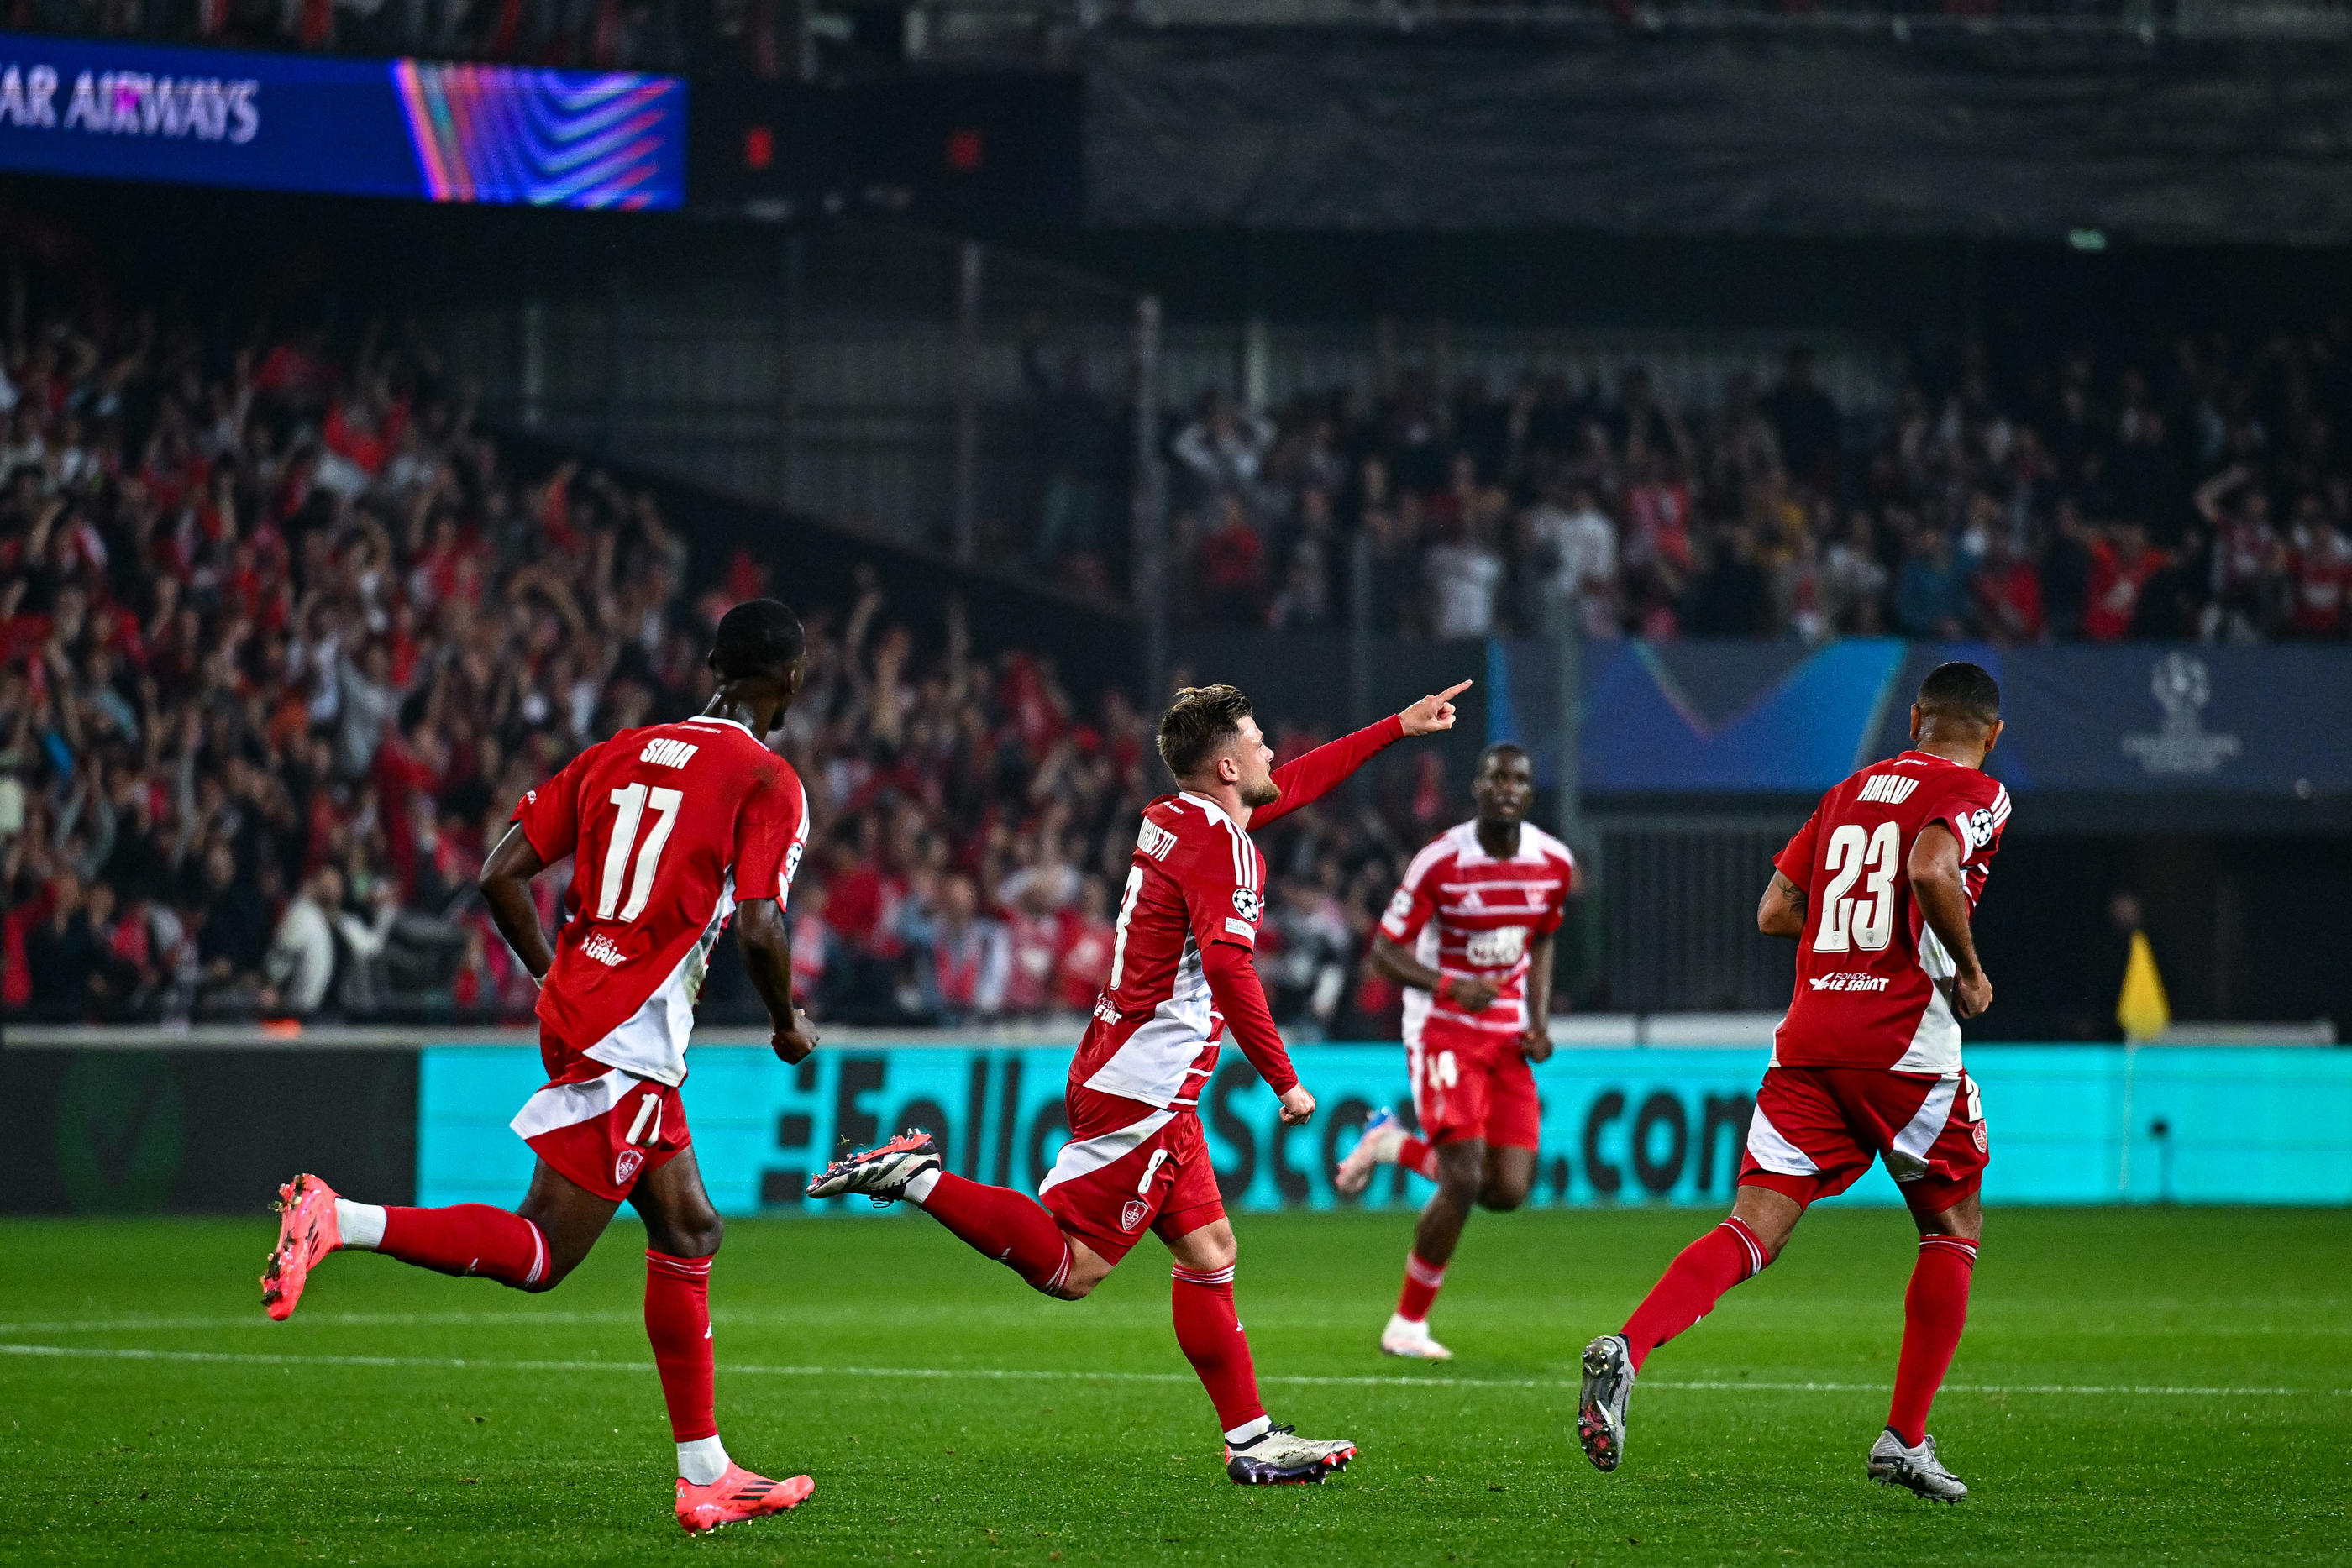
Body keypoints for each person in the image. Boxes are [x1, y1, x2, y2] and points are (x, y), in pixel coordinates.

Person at [806, 679, 1472, 1485]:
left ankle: (1251, 1438)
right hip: (1147, 1083)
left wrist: (1395, 727)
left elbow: (1289, 783)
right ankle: (918, 1178)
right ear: (1227, 765)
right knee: (1073, 1267)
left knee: (1211, 1248)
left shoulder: (1174, 816)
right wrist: (1285, 1080)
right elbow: (1229, 967)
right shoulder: (1226, 848)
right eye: (1259, 740)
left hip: (1133, 1064)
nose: (1272, 753)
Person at [259, 600, 824, 1537]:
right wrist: (786, 1024)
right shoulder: (767, 779)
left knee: (688, 1227)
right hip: (633, 1034)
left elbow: (498, 873)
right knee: (543, 1253)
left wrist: (556, 971)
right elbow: (763, 923)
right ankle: (338, 1217)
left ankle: (706, 1473)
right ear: (790, 681)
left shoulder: (621, 749)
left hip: (584, 1008)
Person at [1575, 661, 2011, 1504]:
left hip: (1810, 1038)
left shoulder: (1846, 789)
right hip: (1904, 1046)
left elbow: (1774, 909)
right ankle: (1903, 1438)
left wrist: (1849, 937)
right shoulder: (1976, 790)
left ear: (1913, 716)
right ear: (1991, 734)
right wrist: (1970, 967)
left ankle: (1629, 1347)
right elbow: (1929, 866)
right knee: (1951, 1226)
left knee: (1752, 1227)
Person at [1331, 742, 1574, 1360]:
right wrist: (1449, 984)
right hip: (1442, 1027)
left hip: (1508, 1034)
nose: (1507, 788)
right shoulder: (1441, 861)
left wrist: (1539, 1021)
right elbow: (1384, 950)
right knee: (1463, 1175)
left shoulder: (1552, 862)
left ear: (1529, 792)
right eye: (1496, 777)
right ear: (1477, 787)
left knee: (1506, 1190)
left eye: (1519, 778)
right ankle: (1406, 1325)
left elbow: (1542, 939)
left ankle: (1391, 1143)